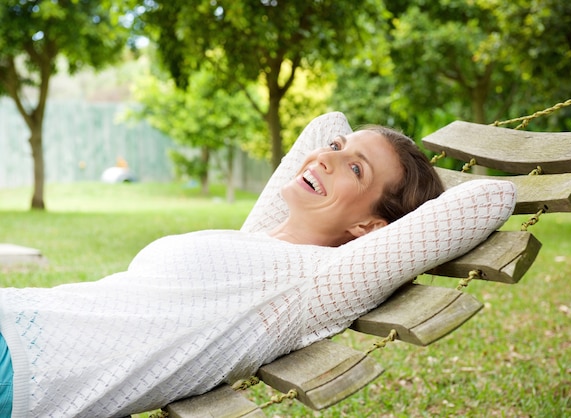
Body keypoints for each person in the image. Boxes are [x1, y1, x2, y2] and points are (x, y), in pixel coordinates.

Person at [0, 112, 515, 418]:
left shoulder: (317, 283)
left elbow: (491, 197)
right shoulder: (261, 243)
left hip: (25, 370)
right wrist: (345, 154)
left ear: (369, 230)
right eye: (334, 150)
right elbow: (328, 122)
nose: (326, 156)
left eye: (354, 169)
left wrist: (393, 190)